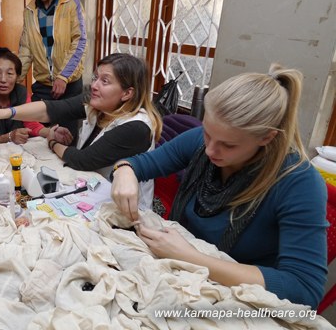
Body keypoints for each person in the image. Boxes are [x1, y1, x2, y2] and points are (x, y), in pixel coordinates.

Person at [110, 64, 328, 308]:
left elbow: (304, 288)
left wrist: (190, 257)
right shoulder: (200, 144)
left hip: (237, 299)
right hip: (180, 274)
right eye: (207, 133)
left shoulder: (299, 183)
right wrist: (124, 172)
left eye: (229, 145)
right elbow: (138, 164)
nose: (211, 150)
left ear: (266, 137)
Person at [0, 53, 162, 207]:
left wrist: (51, 141)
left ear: (127, 93)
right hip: (91, 190)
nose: (95, 85)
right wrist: (2, 113)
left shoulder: (137, 127)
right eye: (95, 77)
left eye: (105, 81)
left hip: (122, 211)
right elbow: (52, 109)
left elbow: (82, 160)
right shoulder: (98, 100)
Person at [18, 0, 87, 139]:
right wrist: (15, 78)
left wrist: (63, 76)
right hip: (43, 86)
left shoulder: (71, 3)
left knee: (66, 138)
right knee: (38, 137)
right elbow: (26, 49)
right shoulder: (30, 10)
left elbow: (79, 41)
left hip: (69, 85)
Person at [0, 47, 72, 145]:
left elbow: (31, 124)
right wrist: (9, 137)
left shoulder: (22, 92)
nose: (3, 79)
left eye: (9, 73)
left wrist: (51, 132)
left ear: (17, 76)